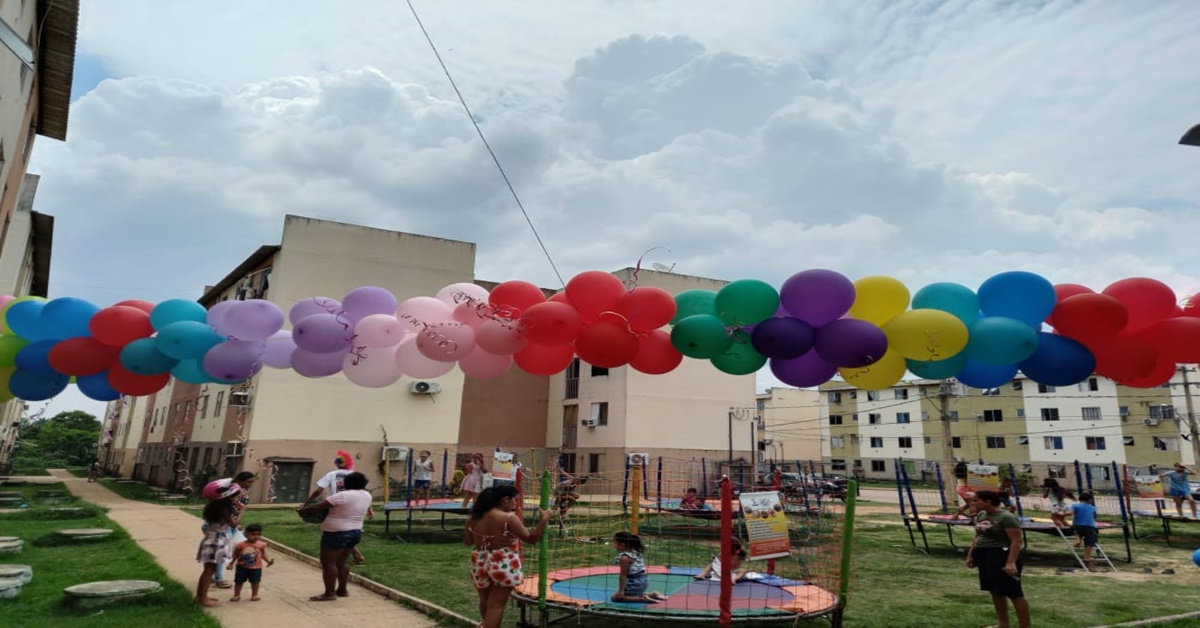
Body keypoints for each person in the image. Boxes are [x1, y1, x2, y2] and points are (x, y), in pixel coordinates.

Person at [465, 485, 551, 628]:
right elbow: (530, 539)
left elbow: (469, 542)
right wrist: (544, 520)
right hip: (503, 563)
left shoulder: (473, 519)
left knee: (485, 601)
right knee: (496, 606)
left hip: (479, 562)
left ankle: (485, 625)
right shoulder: (508, 518)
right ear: (505, 500)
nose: (515, 504)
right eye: (514, 500)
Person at [298, 471, 373, 602]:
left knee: (329, 563)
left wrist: (303, 510)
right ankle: (342, 590)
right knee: (342, 562)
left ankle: (329, 593)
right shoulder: (366, 495)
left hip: (336, 532)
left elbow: (318, 506)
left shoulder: (341, 496)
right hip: (356, 532)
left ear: (346, 483)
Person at [965, 490, 1031, 628]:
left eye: (976, 500)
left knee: (1014, 593)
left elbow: (1016, 541)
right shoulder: (982, 514)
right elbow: (978, 536)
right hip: (984, 555)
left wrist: (1011, 562)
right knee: (995, 591)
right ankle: (1003, 624)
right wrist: (971, 554)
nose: (972, 503)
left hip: (1002, 556)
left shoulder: (1006, 517)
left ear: (988, 501)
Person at [307, 451, 365, 565]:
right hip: (353, 505)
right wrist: (369, 509)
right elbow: (361, 492)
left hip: (335, 504)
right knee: (350, 530)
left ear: (336, 463)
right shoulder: (354, 474)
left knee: (337, 531)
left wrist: (308, 502)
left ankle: (352, 556)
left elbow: (319, 490)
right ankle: (356, 555)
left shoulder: (331, 474)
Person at [195, 483, 242, 607]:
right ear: (227, 498)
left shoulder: (214, 507)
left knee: (209, 570)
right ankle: (201, 598)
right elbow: (234, 524)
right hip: (217, 541)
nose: (237, 499)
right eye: (235, 497)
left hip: (212, 539)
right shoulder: (225, 510)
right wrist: (242, 510)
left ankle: (201, 596)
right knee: (209, 571)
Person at [611, 531, 669, 603]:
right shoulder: (636, 551)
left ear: (622, 545)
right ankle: (653, 595)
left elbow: (623, 575)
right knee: (631, 593)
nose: (614, 545)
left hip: (634, 583)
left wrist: (621, 591)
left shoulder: (624, 558)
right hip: (644, 580)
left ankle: (642, 599)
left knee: (615, 598)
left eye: (614, 542)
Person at [229, 523, 273, 601]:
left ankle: (255, 594)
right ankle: (237, 594)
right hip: (241, 567)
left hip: (256, 567)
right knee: (239, 581)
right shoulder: (241, 545)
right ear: (246, 535)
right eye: (253, 534)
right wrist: (231, 563)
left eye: (258, 534)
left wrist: (268, 561)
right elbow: (235, 555)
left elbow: (263, 554)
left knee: (255, 581)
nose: (256, 536)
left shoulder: (261, 544)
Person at [1070, 491, 1099, 565]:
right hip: (1090, 526)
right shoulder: (1092, 508)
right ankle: (1087, 557)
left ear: (1080, 499)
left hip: (1077, 525)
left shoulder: (1075, 506)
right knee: (1089, 542)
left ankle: (1078, 539)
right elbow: (1093, 516)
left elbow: (1071, 513)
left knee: (1077, 531)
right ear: (1089, 500)